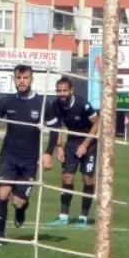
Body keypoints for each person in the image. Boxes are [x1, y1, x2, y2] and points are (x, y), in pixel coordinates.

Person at [0, 64, 60, 247]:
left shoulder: (42, 103)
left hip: (30, 160)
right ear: (14, 79)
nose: (22, 81)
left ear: (31, 80)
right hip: (8, 155)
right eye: (19, 78)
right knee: (3, 193)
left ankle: (21, 209)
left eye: (25, 78)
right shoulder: (6, 102)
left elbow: (55, 128)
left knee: (18, 201)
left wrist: (49, 153)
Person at [46, 76, 98, 227]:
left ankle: (83, 217)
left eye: (64, 91)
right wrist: (59, 147)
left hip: (90, 142)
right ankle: (63, 216)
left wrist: (85, 144)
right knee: (67, 177)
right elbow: (57, 127)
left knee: (87, 179)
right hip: (72, 142)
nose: (61, 94)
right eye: (59, 91)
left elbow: (97, 123)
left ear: (71, 91)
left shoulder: (82, 103)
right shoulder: (55, 105)